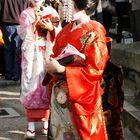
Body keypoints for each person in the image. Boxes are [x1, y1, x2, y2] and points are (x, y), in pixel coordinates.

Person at [45, 0, 110, 139]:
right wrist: (51, 63)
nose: (65, 6)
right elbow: (55, 53)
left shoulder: (95, 30)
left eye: (68, 3)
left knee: (79, 133)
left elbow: (95, 69)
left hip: (80, 93)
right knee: (59, 132)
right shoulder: (65, 30)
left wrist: (63, 69)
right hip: (60, 94)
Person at [18, 0, 61, 139]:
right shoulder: (25, 14)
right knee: (30, 87)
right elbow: (23, 34)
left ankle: (46, 124)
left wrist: (51, 28)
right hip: (32, 55)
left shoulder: (52, 12)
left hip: (47, 53)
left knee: (47, 87)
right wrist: (33, 24)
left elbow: (59, 34)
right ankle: (30, 127)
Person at [0, 0, 31, 81]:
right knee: (18, 50)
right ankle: (16, 74)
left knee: (7, 49)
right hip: (20, 24)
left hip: (6, 24)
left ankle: (8, 73)